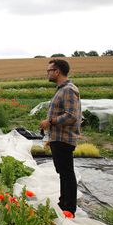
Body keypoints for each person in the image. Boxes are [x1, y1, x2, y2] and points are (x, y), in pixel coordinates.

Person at [39, 59, 82, 217]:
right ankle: (63, 202)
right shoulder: (62, 89)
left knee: (67, 173)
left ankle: (69, 208)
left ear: (57, 71)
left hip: (64, 138)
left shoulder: (69, 90)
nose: (48, 73)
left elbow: (71, 116)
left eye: (49, 70)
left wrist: (50, 121)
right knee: (63, 172)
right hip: (58, 137)